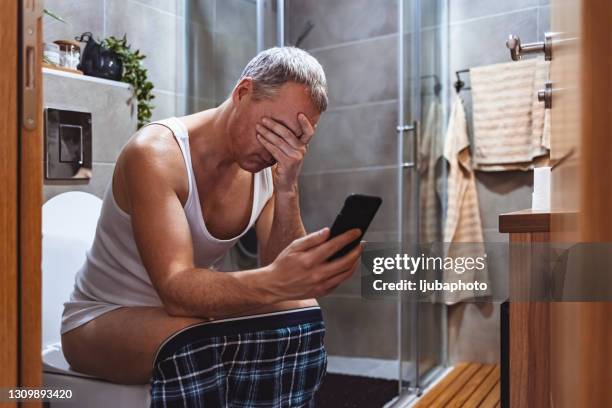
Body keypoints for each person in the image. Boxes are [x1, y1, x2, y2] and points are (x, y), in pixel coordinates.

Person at [60, 47, 363, 406]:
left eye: (297, 139)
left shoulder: (270, 168)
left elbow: (285, 280)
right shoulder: (155, 155)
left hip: (191, 318)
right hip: (102, 320)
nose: (281, 148)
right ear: (243, 92)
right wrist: (277, 279)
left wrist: (287, 186)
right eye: (277, 129)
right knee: (192, 338)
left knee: (303, 312)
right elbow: (176, 289)